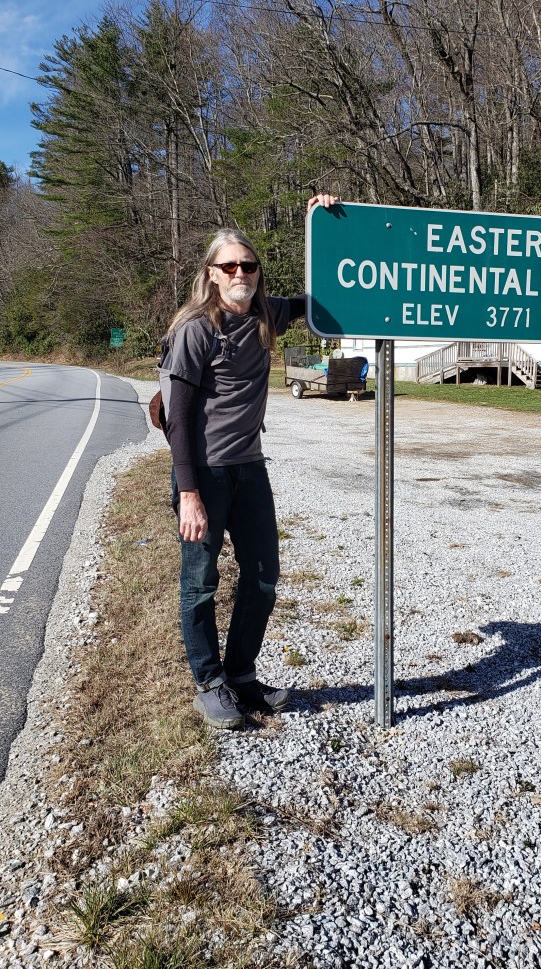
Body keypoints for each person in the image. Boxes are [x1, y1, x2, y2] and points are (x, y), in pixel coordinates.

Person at [159, 194, 338, 729]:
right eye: (229, 266)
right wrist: (189, 494)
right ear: (212, 275)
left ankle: (241, 676)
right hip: (205, 473)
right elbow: (178, 421)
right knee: (201, 582)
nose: (241, 272)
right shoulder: (195, 330)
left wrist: (324, 222)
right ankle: (209, 684)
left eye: (249, 265)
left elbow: (321, 296)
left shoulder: (266, 314)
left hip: (249, 468)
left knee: (263, 577)